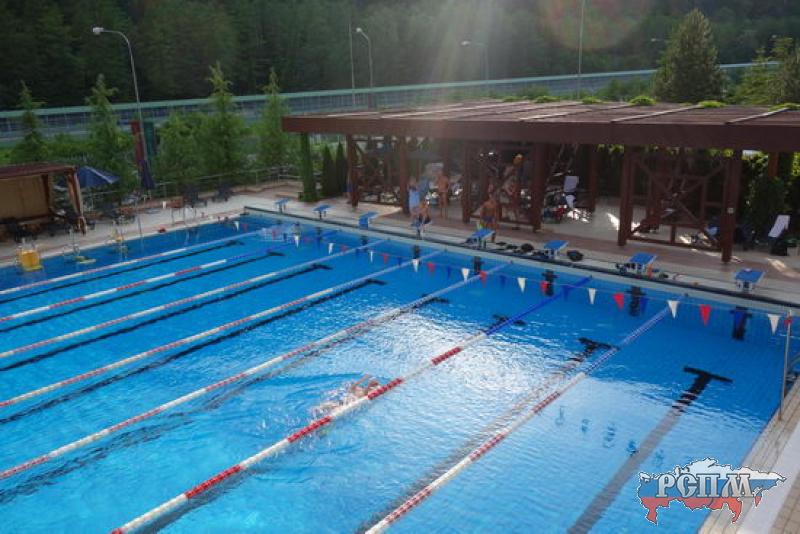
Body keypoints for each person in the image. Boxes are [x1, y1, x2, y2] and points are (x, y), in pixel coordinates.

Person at [313, 375, 381, 414]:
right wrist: (363, 379)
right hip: (341, 403)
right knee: (326, 404)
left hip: (346, 407)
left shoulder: (366, 394)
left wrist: (369, 385)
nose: (371, 387)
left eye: (372, 387)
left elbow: (364, 395)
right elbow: (352, 387)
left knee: (334, 412)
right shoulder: (359, 389)